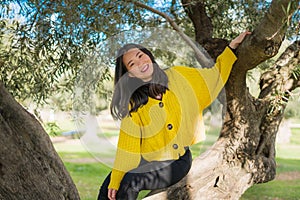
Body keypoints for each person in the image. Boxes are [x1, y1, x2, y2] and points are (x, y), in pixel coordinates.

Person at [97, 31, 251, 200]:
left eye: (141, 56)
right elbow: (128, 144)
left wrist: (231, 48)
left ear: (149, 56)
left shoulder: (178, 76)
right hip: (147, 161)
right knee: (108, 187)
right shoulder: (133, 103)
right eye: (132, 64)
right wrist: (116, 178)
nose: (140, 63)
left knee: (132, 181)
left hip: (176, 162)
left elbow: (213, 77)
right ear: (130, 74)